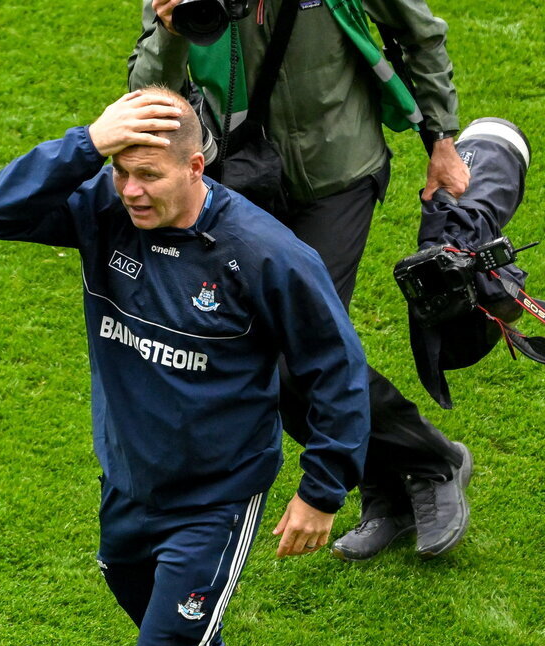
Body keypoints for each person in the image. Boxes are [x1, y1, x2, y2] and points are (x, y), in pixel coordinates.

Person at [0, 88, 370, 646]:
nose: (132, 192)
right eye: (121, 171)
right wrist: (86, 143)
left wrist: (322, 490)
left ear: (200, 164)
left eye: (148, 173)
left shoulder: (264, 254)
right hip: (129, 489)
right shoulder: (103, 207)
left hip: (215, 501)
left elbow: (338, 369)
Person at [128, 0, 474, 561]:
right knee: (257, 361)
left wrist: (442, 138)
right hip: (244, 183)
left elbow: (421, 34)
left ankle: (432, 463)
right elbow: (145, 100)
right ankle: (386, 489)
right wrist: (171, 31)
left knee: (301, 354)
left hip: (340, 174)